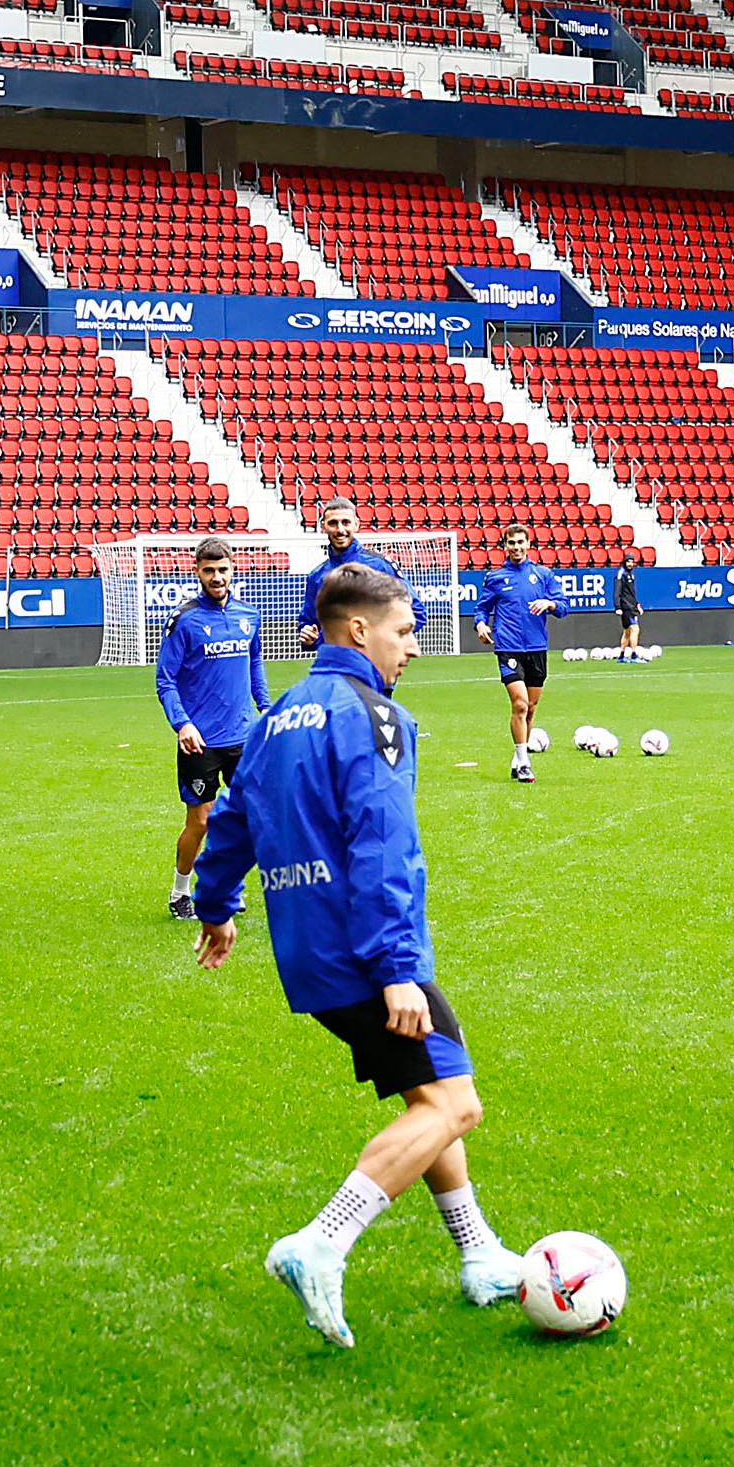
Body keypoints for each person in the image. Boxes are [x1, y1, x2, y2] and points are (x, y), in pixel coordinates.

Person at [195, 563, 520, 1348]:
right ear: (357, 630)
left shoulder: (275, 717)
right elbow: (384, 848)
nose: (411, 647)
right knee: (455, 1104)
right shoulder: (373, 714)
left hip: (308, 950)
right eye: (404, 631)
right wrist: (398, 967)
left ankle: (478, 1253)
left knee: (429, 1092)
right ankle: (321, 1242)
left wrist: (216, 908)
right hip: (364, 952)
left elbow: (231, 821)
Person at [155, 536, 268, 917]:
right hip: (199, 740)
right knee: (200, 821)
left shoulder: (249, 616)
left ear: (233, 569)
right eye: (209, 570)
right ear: (197, 571)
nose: (216, 577)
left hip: (243, 735)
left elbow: (254, 664)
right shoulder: (184, 621)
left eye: (222, 570)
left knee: (248, 817)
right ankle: (180, 892)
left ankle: (224, 887)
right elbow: (165, 680)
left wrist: (265, 706)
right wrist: (182, 724)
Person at [473, 522, 560, 781]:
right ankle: (524, 762)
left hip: (537, 648)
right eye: (511, 543)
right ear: (505, 546)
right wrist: (480, 623)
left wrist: (550, 603)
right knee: (520, 703)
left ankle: (517, 756)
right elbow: (482, 608)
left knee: (531, 708)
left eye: (521, 542)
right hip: (508, 647)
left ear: (528, 544)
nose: (516, 547)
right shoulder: (496, 578)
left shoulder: (543, 575)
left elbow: (563, 607)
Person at [299, 498, 401, 651]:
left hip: (375, 664)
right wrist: (309, 638)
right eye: (333, 523)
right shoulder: (316, 577)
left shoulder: (380, 566)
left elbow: (416, 612)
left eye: (346, 522)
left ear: (356, 524)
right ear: (323, 526)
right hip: (335, 666)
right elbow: (309, 625)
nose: (340, 530)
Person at [612, 552, 644, 653]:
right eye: (628, 561)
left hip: (631, 605)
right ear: (624, 562)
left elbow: (631, 592)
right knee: (635, 629)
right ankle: (634, 654)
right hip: (626, 607)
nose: (630, 564)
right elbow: (617, 591)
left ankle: (622, 655)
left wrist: (637, 604)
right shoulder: (621, 574)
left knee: (627, 631)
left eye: (632, 562)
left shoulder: (631, 574)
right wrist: (617, 607)